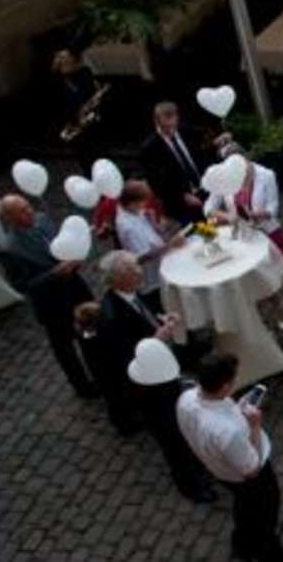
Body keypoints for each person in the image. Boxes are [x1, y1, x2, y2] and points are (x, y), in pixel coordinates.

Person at [177, 353, 283, 562]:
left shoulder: (185, 399)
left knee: (244, 506)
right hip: (248, 478)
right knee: (265, 515)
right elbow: (252, 470)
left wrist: (237, 410)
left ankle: (242, 542)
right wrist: (255, 425)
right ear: (224, 386)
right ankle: (270, 555)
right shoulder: (227, 433)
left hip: (220, 470)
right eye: (233, 380)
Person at [205, 146, 283, 329]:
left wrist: (262, 214)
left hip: (268, 231)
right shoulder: (225, 178)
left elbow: (273, 207)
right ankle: (279, 311)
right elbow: (208, 208)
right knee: (262, 276)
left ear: (246, 159)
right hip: (245, 237)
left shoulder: (266, 175)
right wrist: (227, 216)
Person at [0, 194, 97, 397]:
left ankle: (100, 371)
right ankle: (82, 386)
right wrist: (54, 274)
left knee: (91, 333)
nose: (29, 212)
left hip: (75, 289)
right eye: (22, 211)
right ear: (10, 219)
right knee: (66, 348)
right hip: (53, 305)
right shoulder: (10, 249)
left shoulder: (43, 219)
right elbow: (22, 285)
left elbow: (62, 244)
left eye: (27, 206)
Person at [96, 250, 179, 434]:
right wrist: (157, 338)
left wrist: (161, 318)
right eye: (132, 271)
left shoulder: (130, 291)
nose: (140, 272)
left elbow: (142, 315)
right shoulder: (111, 317)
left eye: (137, 266)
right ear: (117, 280)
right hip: (148, 381)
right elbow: (126, 357)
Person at [128, 337, 217, 503]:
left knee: (185, 451)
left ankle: (197, 470)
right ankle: (191, 487)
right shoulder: (150, 389)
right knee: (178, 456)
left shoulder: (147, 376)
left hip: (170, 419)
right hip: (167, 425)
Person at [115, 180, 185, 310]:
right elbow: (142, 257)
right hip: (152, 280)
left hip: (161, 265)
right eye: (143, 202)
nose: (145, 205)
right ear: (132, 203)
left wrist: (154, 225)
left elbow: (151, 234)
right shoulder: (127, 227)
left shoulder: (133, 210)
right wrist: (170, 244)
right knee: (167, 308)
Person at [140, 101, 212, 225]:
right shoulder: (150, 148)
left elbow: (203, 154)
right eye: (166, 126)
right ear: (157, 121)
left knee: (219, 230)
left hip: (207, 191)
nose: (170, 129)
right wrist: (182, 197)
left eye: (173, 125)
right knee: (199, 233)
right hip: (182, 205)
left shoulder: (188, 133)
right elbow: (155, 183)